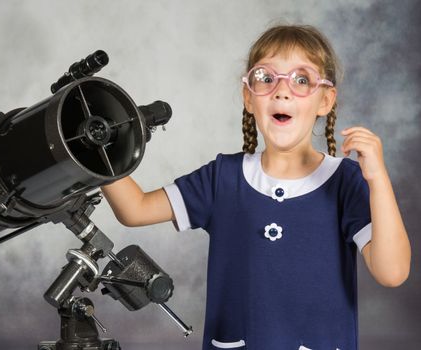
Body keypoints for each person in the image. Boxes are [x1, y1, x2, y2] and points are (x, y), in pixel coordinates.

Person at [100, 24, 411, 350]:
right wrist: (94, 152)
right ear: (248, 96)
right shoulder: (223, 177)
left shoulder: (346, 181)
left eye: (301, 80)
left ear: (326, 100)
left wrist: (378, 180)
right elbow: (134, 209)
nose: (282, 90)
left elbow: (393, 273)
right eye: (267, 78)